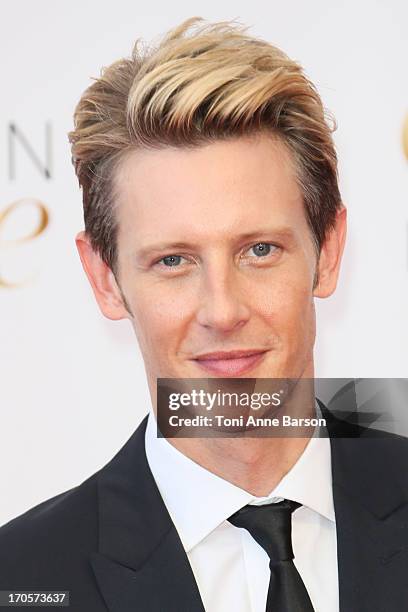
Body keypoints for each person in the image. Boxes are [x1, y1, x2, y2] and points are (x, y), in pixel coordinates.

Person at [0, 17, 407, 612]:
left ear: (329, 252)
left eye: (259, 250)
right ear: (105, 279)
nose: (223, 310)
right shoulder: (22, 578)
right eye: (172, 260)